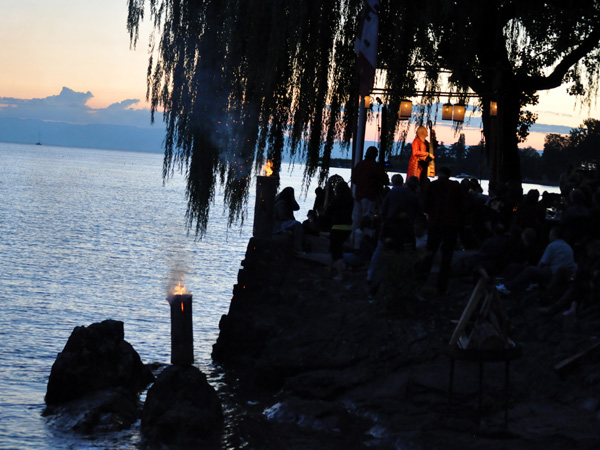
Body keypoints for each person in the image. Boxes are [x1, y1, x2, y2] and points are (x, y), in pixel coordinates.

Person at [367, 174, 421, 290]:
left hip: (388, 226)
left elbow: (384, 208)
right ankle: (402, 278)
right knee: (403, 253)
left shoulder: (394, 192)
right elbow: (417, 213)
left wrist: (383, 220)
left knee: (379, 251)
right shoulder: (413, 197)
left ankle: (371, 276)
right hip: (404, 230)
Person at [420, 166, 466, 294]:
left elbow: (425, 206)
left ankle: (422, 279)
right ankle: (442, 286)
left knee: (430, 252)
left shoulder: (432, 186)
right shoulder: (455, 187)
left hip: (435, 224)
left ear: (439, 174)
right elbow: (462, 206)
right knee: (447, 256)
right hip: (451, 225)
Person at [496, 226, 577, 296]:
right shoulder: (568, 247)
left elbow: (541, 264)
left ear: (553, 235)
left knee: (529, 270)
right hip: (565, 276)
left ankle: (508, 287)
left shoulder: (552, 246)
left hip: (554, 274)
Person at [351, 146, 389, 242]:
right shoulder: (375, 166)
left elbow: (354, 179)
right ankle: (365, 240)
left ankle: (353, 238)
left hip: (358, 196)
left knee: (356, 219)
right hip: (369, 196)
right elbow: (385, 180)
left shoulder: (359, 165)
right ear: (375, 155)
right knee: (367, 219)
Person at [326, 180, 354, 281]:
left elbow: (328, 212)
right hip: (348, 228)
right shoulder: (351, 200)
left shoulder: (336, 200)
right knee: (333, 248)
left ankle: (340, 275)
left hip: (337, 227)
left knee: (336, 252)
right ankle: (329, 268)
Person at [273, 186, 303, 253]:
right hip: (278, 224)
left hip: (283, 222)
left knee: (297, 224)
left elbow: (297, 207)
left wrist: (293, 200)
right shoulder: (281, 203)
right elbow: (282, 217)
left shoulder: (287, 202)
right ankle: (297, 248)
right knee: (297, 225)